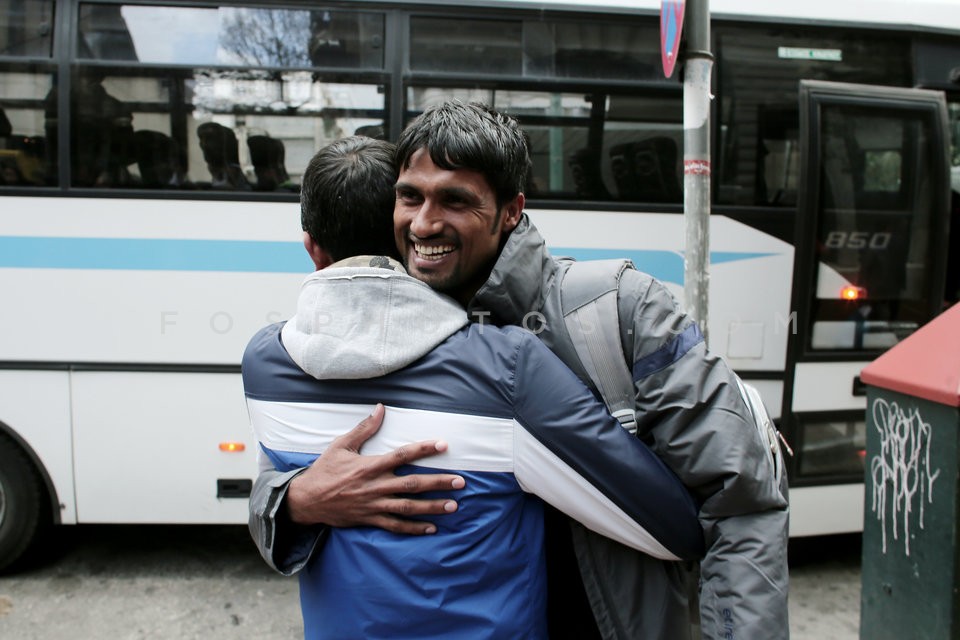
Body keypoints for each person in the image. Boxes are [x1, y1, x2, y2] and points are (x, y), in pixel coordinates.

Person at [251, 102, 790, 639]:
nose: (424, 222)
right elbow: (279, 475)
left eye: (455, 200)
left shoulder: (620, 310)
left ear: (511, 211)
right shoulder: (375, 336)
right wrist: (295, 500)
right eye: (410, 196)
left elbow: (741, 501)